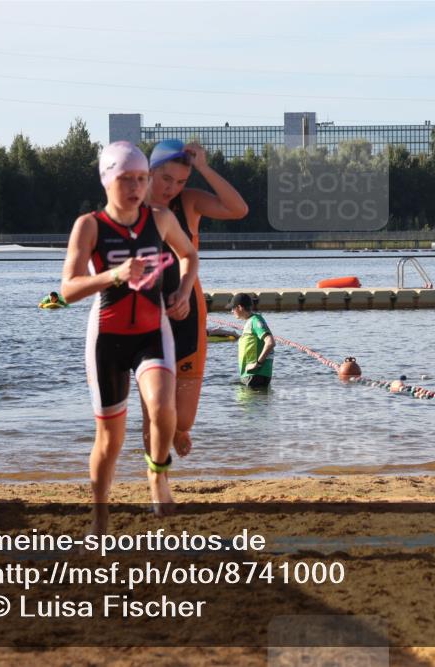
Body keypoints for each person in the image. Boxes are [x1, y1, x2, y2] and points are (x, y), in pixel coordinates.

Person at [61, 141, 198, 524]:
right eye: (126, 179)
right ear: (107, 181)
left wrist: (184, 291)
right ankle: (100, 516)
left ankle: (158, 475)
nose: (136, 186)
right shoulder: (88, 225)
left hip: (152, 332)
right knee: (109, 441)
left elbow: (189, 255)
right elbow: (68, 288)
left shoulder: (160, 219)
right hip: (107, 337)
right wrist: (113, 275)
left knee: (161, 407)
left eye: (142, 178)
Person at [144, 139, 248, 457]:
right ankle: (156, 484)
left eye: (181, 181)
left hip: (189, 311)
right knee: (153, 410)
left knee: (183, 418)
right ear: (148, 173)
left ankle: (177, 428)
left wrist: (203, 167)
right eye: (166, 179)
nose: (172, 188)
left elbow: (238, 209)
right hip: (147, 318)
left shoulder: (187, 203)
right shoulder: (132, 206)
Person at [229, 293, 275, 388]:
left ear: (240, 307)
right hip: (253, 375)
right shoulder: (250, 322)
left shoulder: (255, 320)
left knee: (245, 402)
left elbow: (270, 342)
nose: (231, 311)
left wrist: (257, 364)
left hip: (255, 375)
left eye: (233, 308)